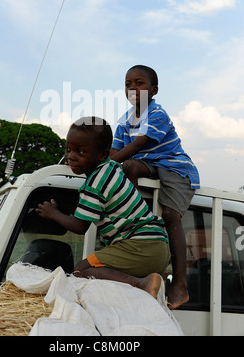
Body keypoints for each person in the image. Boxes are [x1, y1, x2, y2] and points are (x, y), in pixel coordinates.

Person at [36, 116, 170, 301]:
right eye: (68, 149)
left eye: (80, 152)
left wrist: (53, 214)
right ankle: (144, 281)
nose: (70, 156)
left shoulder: (96, 181)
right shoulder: (111, 168)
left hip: (140, 247)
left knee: (80, 271)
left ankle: (141, 284)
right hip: (157, 246)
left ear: (101, 155)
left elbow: (80, 226)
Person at [110, 65, 200, 310]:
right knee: (129, 167)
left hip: (173, 165)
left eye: (139, 83)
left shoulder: (157, 113)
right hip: (148, 164)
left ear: (154, 90)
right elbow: (116, 152)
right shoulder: (125, 121)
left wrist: (105, 164)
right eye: (128, 84)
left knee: (171, 214)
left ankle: (180, 284)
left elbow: (138, 145)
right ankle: (136, 220)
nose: (132, 88)